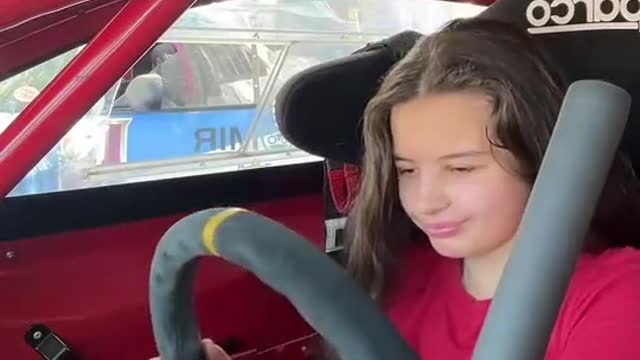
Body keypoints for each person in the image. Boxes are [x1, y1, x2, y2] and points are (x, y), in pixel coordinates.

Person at [151, 17, 640, 360]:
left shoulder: (618, 297)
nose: (425, 200)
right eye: (407, 170)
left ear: (537, 158)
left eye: (461, 169)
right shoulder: (400, 283)